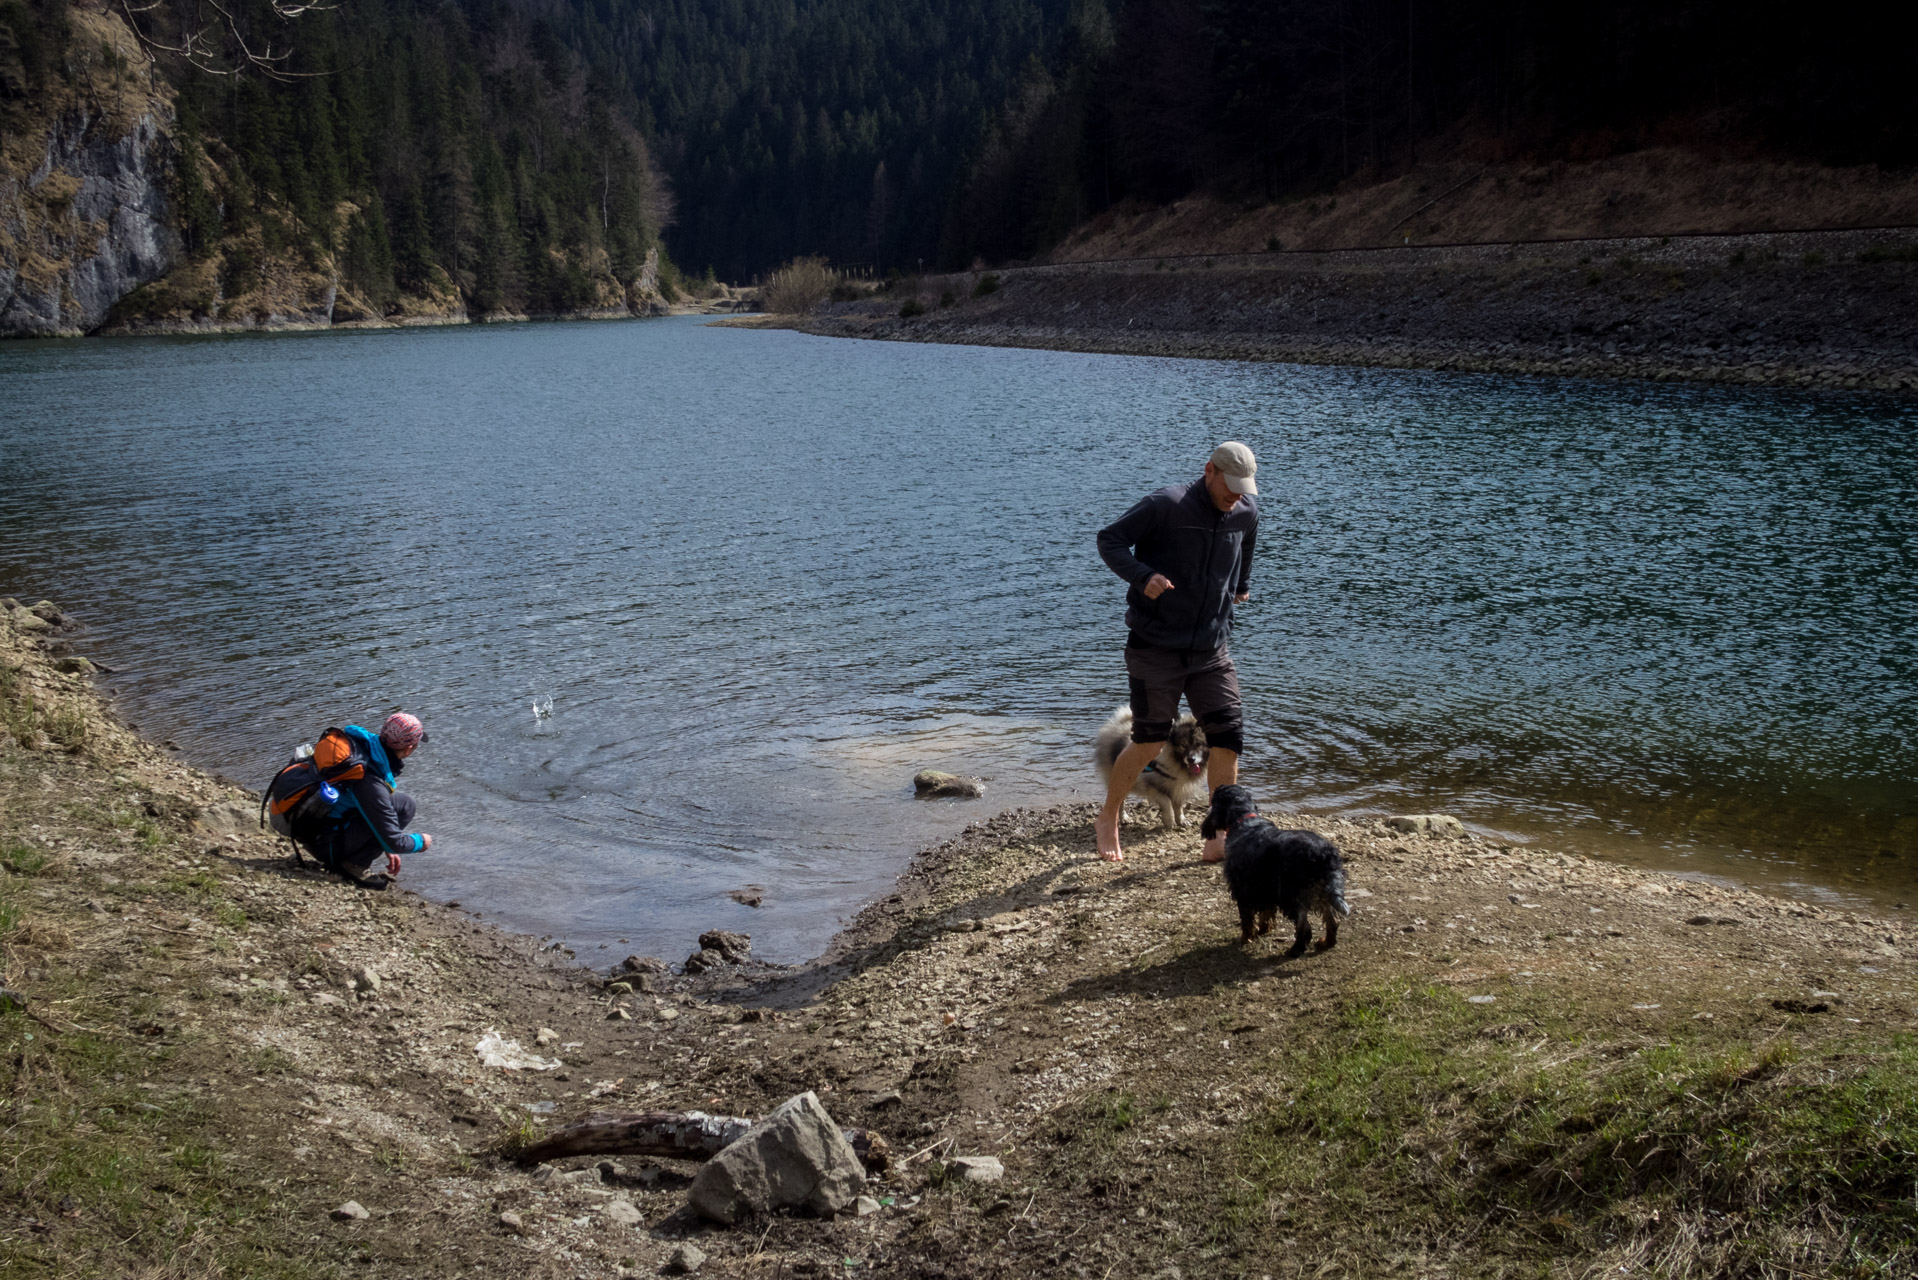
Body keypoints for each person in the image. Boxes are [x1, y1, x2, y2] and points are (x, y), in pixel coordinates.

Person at [1094, 442, 1259, 863]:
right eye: (1231, 486)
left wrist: (1240, 585)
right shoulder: (1166, 505)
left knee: (1228, 737)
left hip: (1211, 648)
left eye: (1244, 488)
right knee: (1149, 740)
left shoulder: (1244, 510)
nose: (1236, 495)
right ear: (1210, 471)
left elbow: (1246, 544)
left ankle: (1217, 833)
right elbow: (1110, 540)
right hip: (1156, 647)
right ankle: (1109, 816)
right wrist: (1142, 575)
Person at [328, 712, 434, 887]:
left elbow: (372, 807)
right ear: (409, 748)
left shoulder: (361, 748)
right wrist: (421, 841)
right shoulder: (369, 779)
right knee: (406, 806)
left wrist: (382, 844)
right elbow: (396, 843)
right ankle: (353, 865)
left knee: (403, 803)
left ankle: (355, 855)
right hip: (326, 843)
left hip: (316, 827)